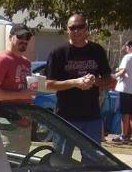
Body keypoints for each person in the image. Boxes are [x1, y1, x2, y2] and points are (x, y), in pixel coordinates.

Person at [46, 13, 115, 143]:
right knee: (62, 161)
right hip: (65, 117)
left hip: (91, 116)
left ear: (86, 28)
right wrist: (75, 83)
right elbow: (48, 84)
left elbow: (108, 79)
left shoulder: (97, 50)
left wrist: (95, 81)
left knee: (92, 160)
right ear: (67, 30)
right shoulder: (58, 53)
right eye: (72, 28)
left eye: (80, 27)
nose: (76, 31)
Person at [0, 24, 35, 106]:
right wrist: (21, 95)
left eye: (27, 37)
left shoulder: (26, 62)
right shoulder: (2, 60)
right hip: (6, 115)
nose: (24, 40)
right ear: (10, 37)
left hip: (24, 114)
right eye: (20, 36)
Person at [111, 40, 132, 145]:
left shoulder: (127, 57)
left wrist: (113, 76)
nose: (125, 49)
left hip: (124, 89)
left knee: (124, 114)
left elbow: (123, 71)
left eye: (126, 47)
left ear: (130, 47)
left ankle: (124, 135)